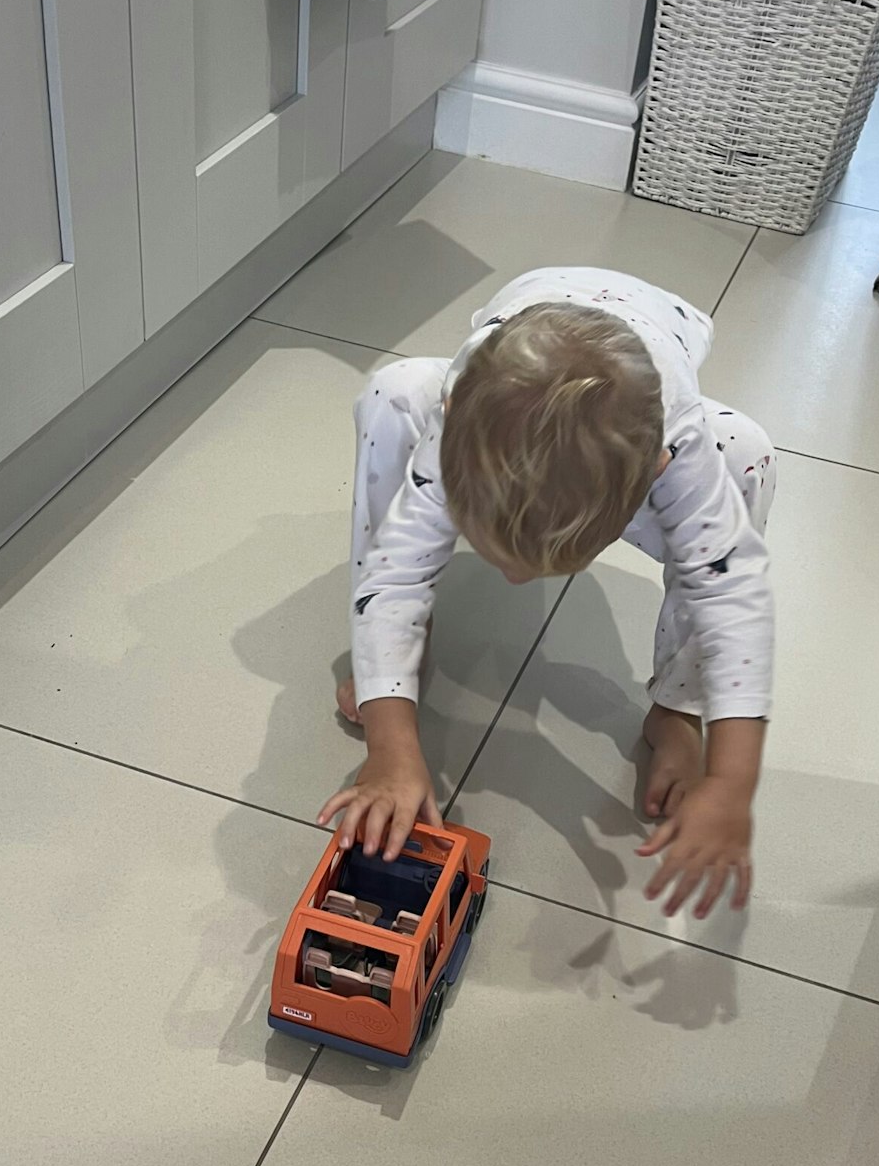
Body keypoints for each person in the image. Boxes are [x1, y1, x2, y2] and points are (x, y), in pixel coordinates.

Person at [317, 267, 776, 921]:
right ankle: (390, 665)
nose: (510, 582)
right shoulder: (455, 422)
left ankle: (674, 710)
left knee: (749, 455)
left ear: (654, 480)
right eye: (497, 551)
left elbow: (735, 609)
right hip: (525, 333)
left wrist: (729, 785)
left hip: (656, 352)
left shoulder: (684, 454)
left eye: (539, 566)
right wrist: (391, 749)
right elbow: (395, 573)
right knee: (393, 391)